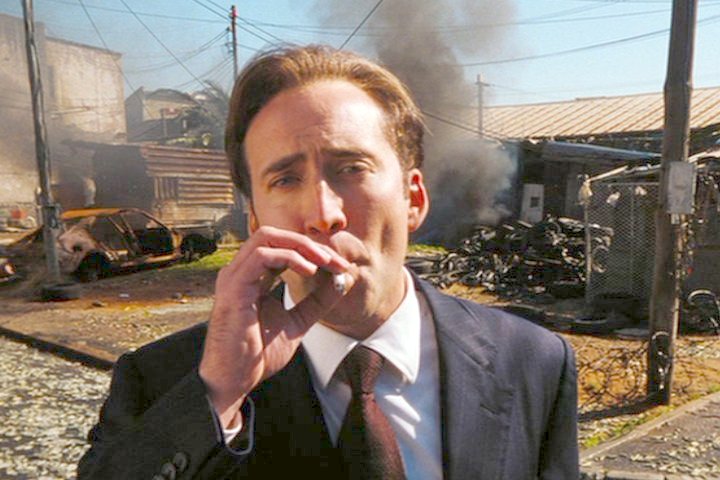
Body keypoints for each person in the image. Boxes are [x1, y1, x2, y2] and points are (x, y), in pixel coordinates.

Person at [78, 45, 578, 480]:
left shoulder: (533, 361)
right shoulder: (168, 380)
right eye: (285, 180)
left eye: (351, 169)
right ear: (254, 220)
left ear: (413, 198)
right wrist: (218, 395)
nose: (323, 214)